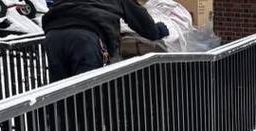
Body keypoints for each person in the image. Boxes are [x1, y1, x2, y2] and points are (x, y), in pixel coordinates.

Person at [41, 0, 169, 81]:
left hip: (54, 35)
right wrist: (159, 30)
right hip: (86, 37)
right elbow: (143, 23)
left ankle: (58, 117)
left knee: (59, 93)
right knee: (87, 93)